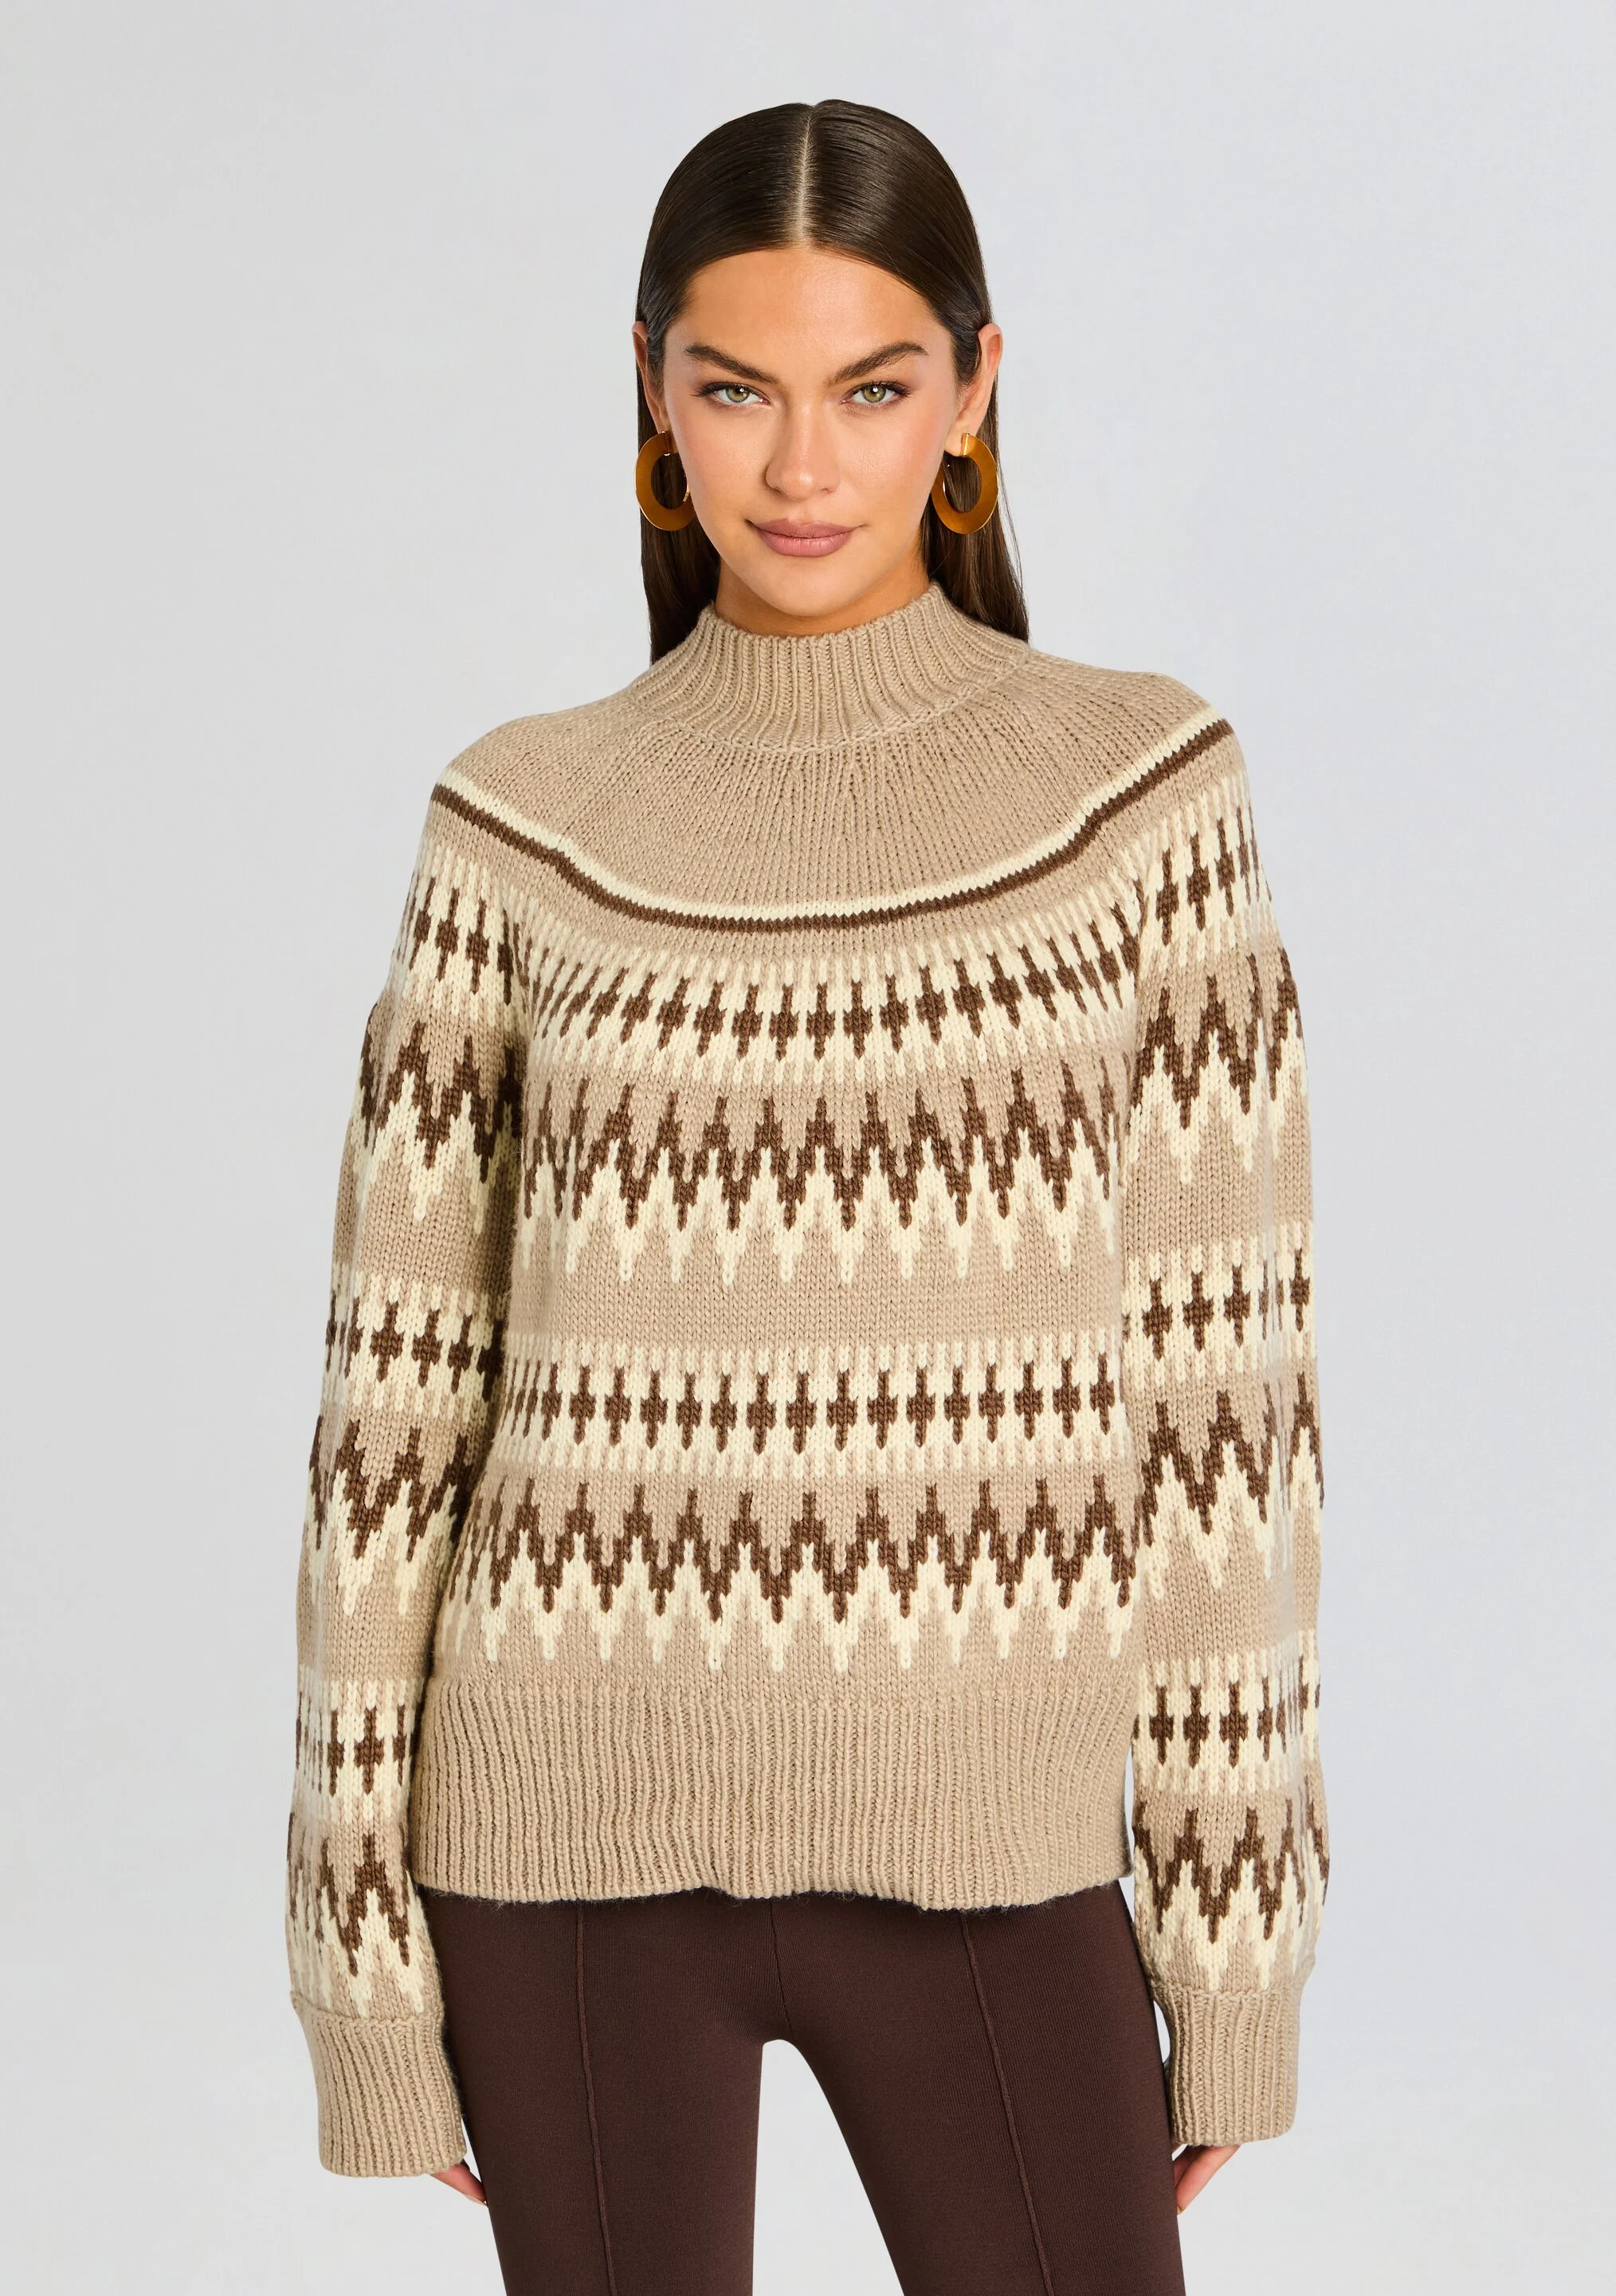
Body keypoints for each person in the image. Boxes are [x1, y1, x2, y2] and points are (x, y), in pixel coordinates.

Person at [284, 97, 1331, 2296]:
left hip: (993, 1838)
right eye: (734, 387)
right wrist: (358, 1968)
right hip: (558, 1841)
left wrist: (1235, 1950)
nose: (800, 465)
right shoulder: (521, 823)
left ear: (972, 390)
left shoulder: (1136, 795)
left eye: (870, 387)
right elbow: (392, 1427)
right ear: (650, 388)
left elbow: (1223, 1411)